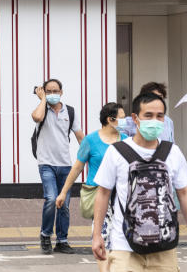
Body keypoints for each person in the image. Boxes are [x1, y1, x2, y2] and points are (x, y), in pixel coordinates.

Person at [91, 91, 187, 271]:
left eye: (160, 116)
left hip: (163, 245)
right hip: (124, 245)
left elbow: (184, 193)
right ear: (135, 118)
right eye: (148, 115)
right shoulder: (116, 152)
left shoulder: (172, 151)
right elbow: (103, 193)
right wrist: (97, 235)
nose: (154, 121)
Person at [55, 102, 125, 272]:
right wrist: (63, 192)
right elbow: (77, 167)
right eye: (122, 118)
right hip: (99, 196)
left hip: (122, 198)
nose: (125, 122)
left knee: (122, 240)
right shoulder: (91, 140)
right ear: (110, 119)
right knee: (102, 237)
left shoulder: (126, 140)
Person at [32, 78, 84, 254]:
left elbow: (79, 136)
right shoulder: (42, 110)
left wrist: (87, 157)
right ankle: (45, 235)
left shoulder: (70, 112)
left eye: (56, 91)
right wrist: (43, 100)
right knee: (52, 199)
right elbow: (36, 117)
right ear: (44, 93)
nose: (53, 94)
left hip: (65, 165)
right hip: (46, 163)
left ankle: (62, 240)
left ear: (61, 92)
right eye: (49, 91)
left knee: (65, 204)